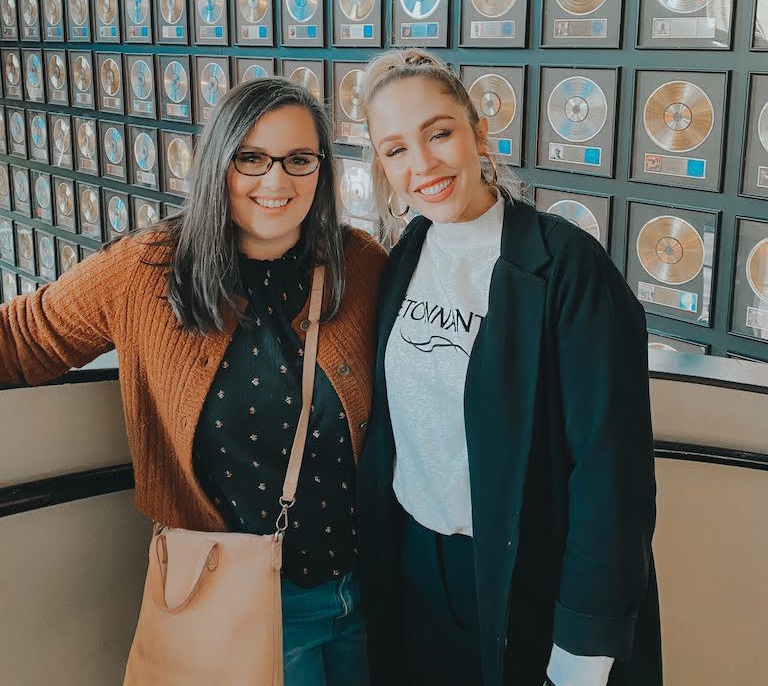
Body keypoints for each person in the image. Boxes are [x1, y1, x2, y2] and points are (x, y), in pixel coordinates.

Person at [0, 77, 387, 686]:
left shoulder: (360, 266)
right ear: (217, 163)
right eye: (251, 158)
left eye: (299, 160)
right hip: (231, 604)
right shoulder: (147, 271)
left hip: (370, 598)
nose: (276, 182)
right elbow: (24, 338)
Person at [356, 49, 662, 686]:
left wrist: (585, 642)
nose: (423, 165)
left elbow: (612, 469)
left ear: (478, 132)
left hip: (519, 577)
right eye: (396, 150)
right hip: (414, 568)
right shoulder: (404, 257)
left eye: (438, 133)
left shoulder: (566, 266)